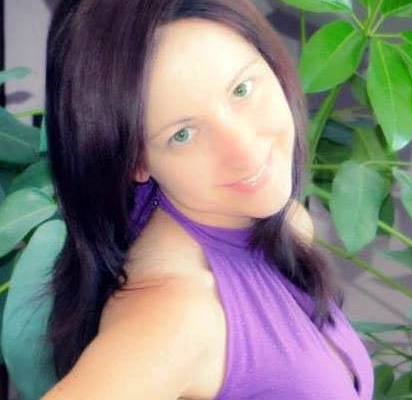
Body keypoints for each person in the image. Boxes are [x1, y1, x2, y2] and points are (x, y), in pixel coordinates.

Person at [40, 0, 374, 399]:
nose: (245, 153)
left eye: (242, 89)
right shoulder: (177, 314)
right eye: (183, 134)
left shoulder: (284, 223)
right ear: (135, 161)